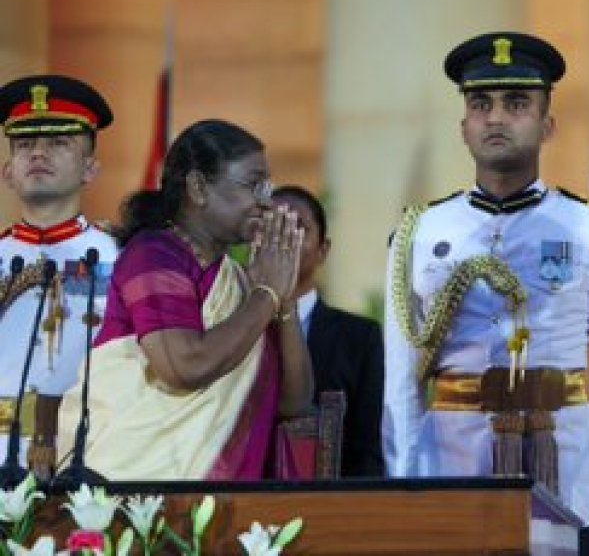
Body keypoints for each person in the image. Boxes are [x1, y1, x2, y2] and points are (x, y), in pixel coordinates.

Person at [383, 31, 589, 547]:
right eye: (481, 104)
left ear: (548, 123)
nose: (495, 117)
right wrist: (402, 481)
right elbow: (401, 378)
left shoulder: (588, 226)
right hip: (449, 455)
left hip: (562, 452)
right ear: (463, 126)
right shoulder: (423, 231)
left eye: (516, 103)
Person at [57, 119, 314, 480]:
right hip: (129, 494)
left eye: (266, 187)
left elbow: (294, 401)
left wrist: (283, 298)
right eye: (253, 185)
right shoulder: (153, 256)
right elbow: (183, 367)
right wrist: (266, 294)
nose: (265, 202)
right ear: (198, 187)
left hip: (219, 506)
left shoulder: (238, 281)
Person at [0, 75, 117, 479]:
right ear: (7, 171)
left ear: (90, 168)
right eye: (25, 145)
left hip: (88, 455)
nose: (38, 154)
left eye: (58, 143)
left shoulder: (123, 258)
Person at [271, 185, 385, 477]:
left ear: (323, 249)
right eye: (273, 226)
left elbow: (367, 445)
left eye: (298, 228)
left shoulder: (360, 338)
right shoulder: (230, 326)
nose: (284, 238)